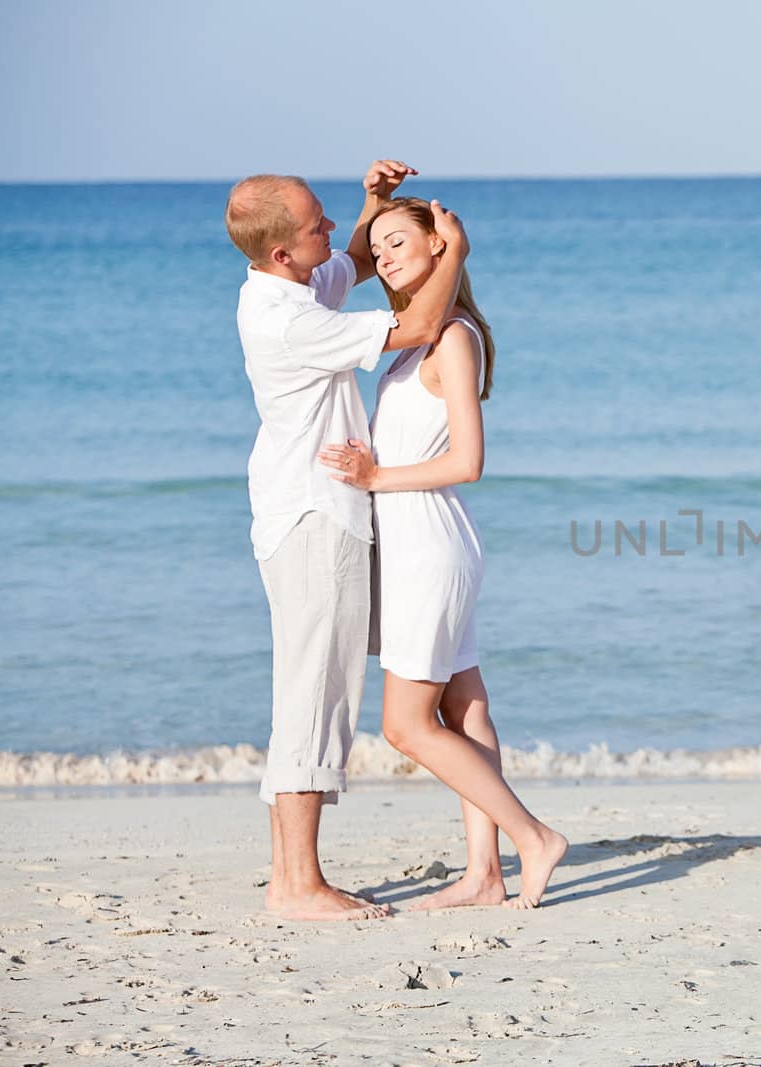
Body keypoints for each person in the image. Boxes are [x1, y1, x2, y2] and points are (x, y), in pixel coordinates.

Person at [227, 162, 469, 920]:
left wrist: (371, 204)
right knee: (316, 697)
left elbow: (360, 262)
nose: (334, 232)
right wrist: (453, 253)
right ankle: (297, 885)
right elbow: (423, 324)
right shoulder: (289, 318)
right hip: (315, 516)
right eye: (316, 227)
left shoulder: (289, 285)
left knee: (305, 689)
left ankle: (290, 876)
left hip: (306, 511)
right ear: (281, 255)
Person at [318, 197, 568, 909]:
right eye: (380, 245)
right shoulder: (412, 342)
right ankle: (484, 876)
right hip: (417, 541)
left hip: (429, 543)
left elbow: (468, 460)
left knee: (405, 724)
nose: (387, 255)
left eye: (402, 241)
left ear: (439, 246)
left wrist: (375, 476)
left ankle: (535, 836)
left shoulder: (451, 338)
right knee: (466, 709)